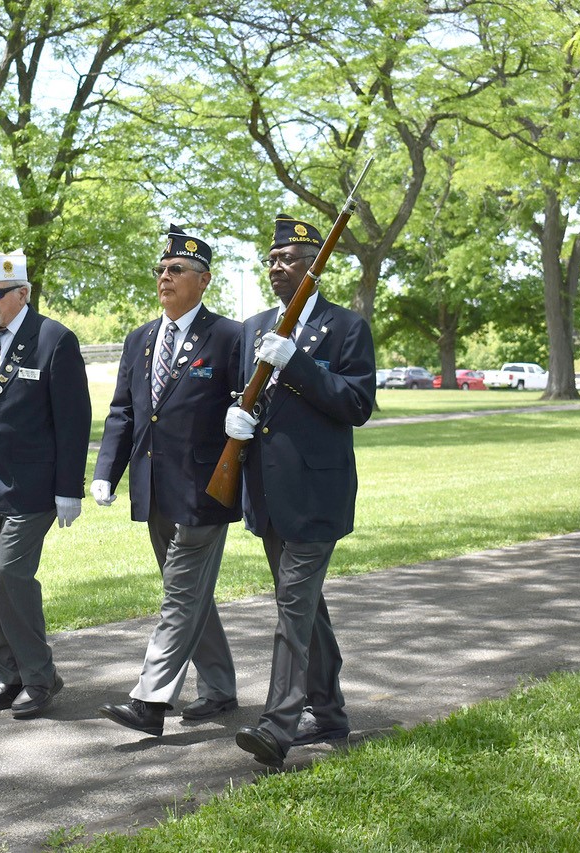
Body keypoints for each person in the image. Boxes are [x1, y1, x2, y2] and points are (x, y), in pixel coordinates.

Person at [224, 213, 376, 770]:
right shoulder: (254, 326)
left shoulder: (346, 327)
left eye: (288, 259)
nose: (276, 267)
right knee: (306, 609)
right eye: (271, 259)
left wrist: (300, 364)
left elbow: (355, 404)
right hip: (266, 490)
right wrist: (235, 417)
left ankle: (278, 724)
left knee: (292, 606)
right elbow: (249, 395)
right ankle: (330, 712)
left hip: (316, 492)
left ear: (316, 266)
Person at [91, 226, 243, 737]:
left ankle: (150, 701)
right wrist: (105, 473)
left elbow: (247, 406)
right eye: (160, 269)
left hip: (205, 491)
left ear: (203, 281)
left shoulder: (228, 336)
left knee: (179, 595)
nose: (164, 277)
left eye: (176, 270)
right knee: (189, 593)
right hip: (152, 488)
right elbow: (124, 413)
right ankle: (219, 689)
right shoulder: (141, 338)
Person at [0, 247, 92, 719]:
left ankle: (40, 677)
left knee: (10, 574)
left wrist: (69, 489)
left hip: (31, 487)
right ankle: (7, 673)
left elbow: (75, 421)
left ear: (23, 293)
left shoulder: (53, 339)